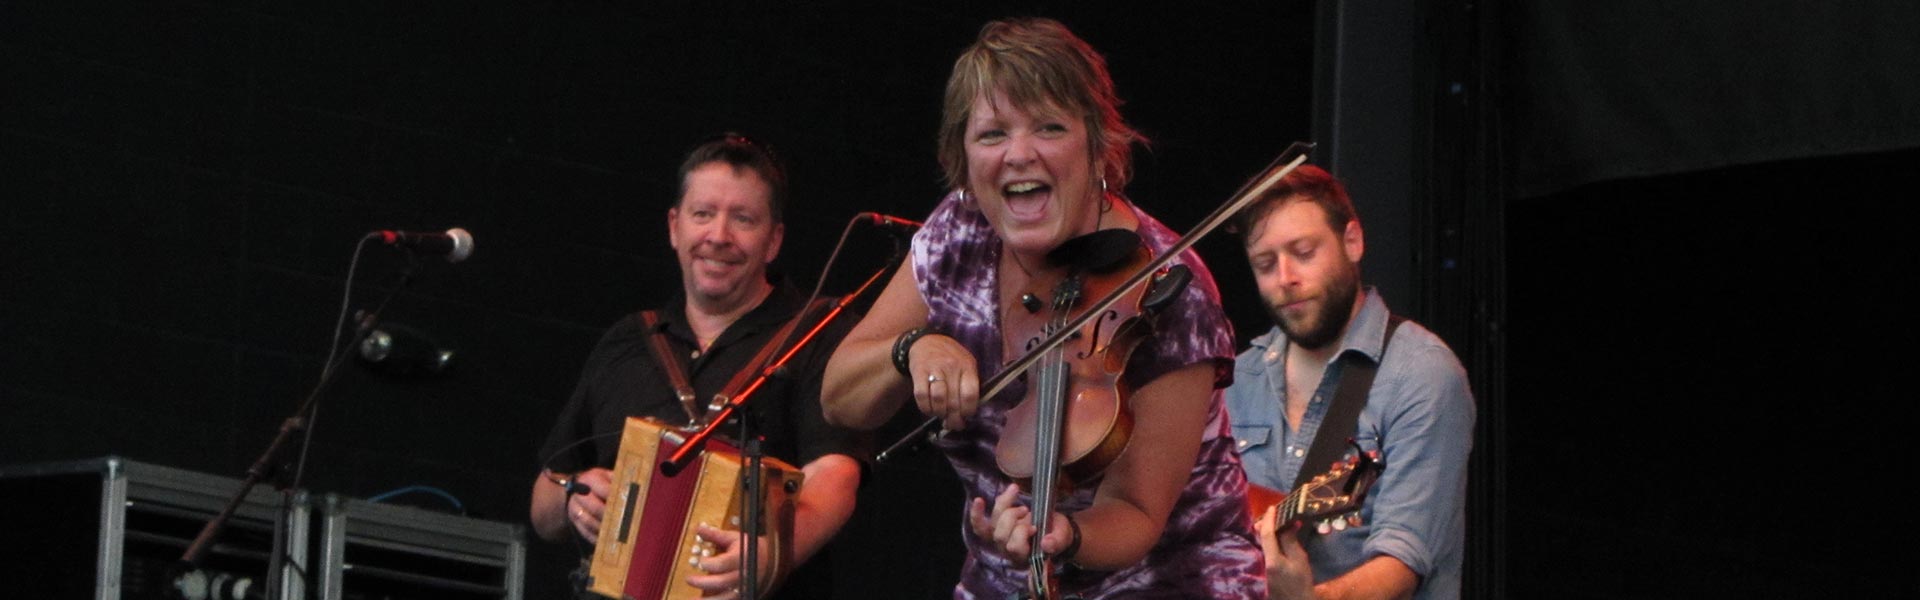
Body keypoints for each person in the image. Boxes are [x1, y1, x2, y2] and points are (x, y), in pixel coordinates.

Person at [821, 17, 1266, 599]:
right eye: (992, 134)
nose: (1019, 154)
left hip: (1170, 579)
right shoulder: (957, 235)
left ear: (1097, 146)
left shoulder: (1168, 287)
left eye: (1049, 127)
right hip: (1005, 580)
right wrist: (911, 349)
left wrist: (1061, 533)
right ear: (963, 156)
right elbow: (840, 399)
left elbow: (1135, 511)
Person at [529, 134, 863, 600]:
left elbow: (836, 473)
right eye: (702, 214)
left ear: (774, 240)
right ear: (674, 227)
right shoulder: (629, 340)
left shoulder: (817, 333)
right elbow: (544, 502)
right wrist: (573, 496)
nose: (718, 236)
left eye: (742, 219)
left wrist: (771, 555)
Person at [1222, 165, 1474, 600]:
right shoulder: (1235, 382)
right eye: (1266, 264)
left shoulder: (1422, 373)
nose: (1286, 278)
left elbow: (1401, 563)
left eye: (1303, 252)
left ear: (1352, 242)